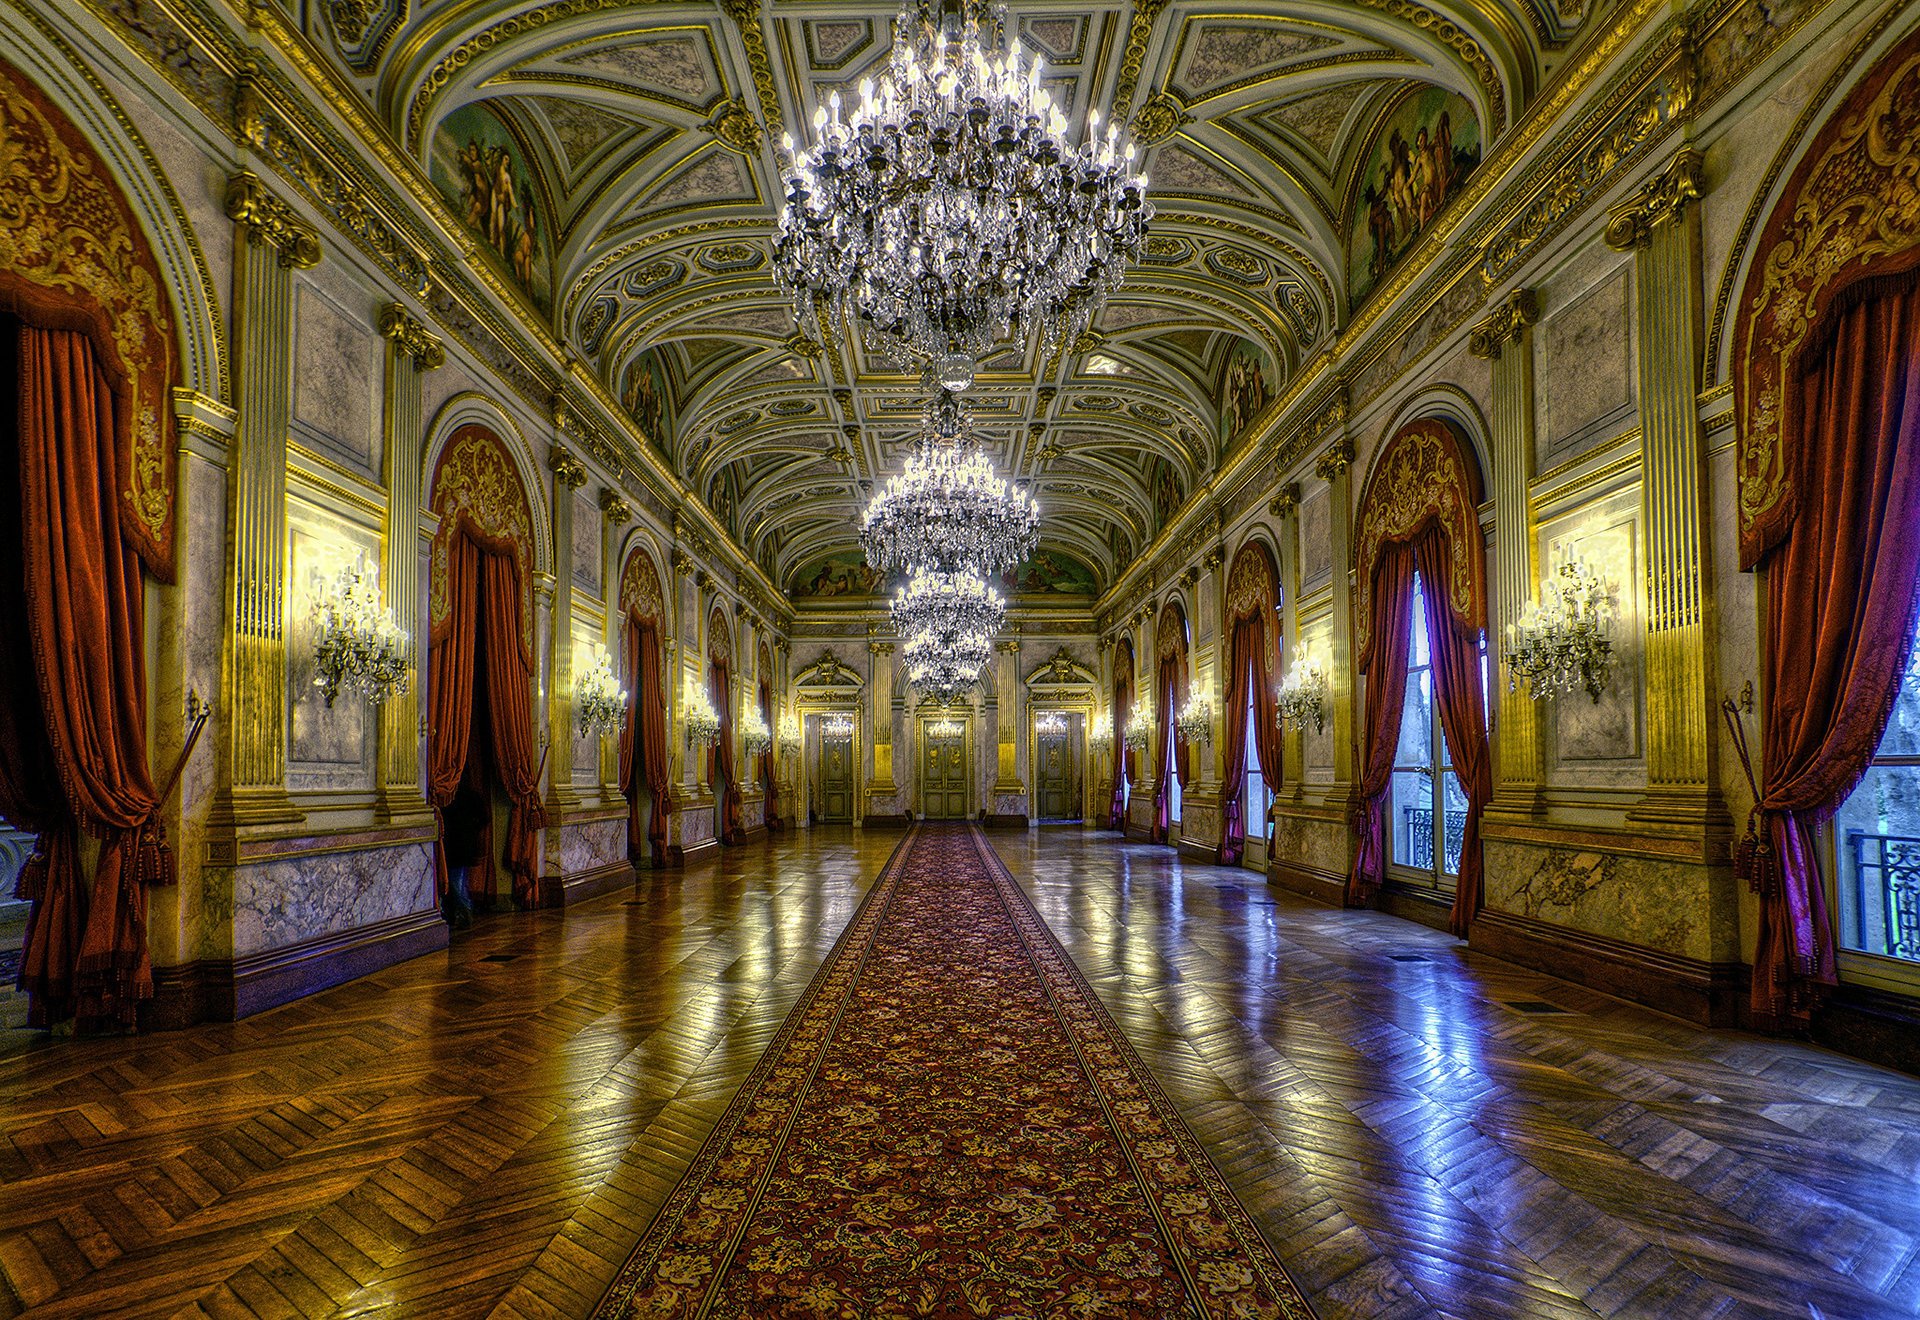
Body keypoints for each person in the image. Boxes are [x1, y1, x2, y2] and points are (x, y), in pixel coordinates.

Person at [441, 777, 490, 929]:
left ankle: (465, 910)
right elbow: (484, 818)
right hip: (460, 847)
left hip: (457, 848)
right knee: (457, 882)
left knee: (455, 883)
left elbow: (483, 818)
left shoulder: (448, 799)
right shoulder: (468, 796)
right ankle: (458, 912)